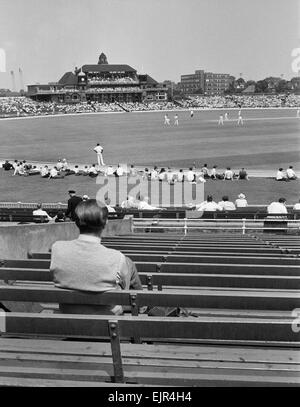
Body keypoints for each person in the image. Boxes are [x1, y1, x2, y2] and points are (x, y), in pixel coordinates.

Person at [51, 200, 143, 315]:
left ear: (76, 222)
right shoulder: (117, 258)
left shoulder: (57, 249)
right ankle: (142, 304)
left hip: (68, 319)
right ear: (105, 223)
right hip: (107, 324)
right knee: (128, 265)